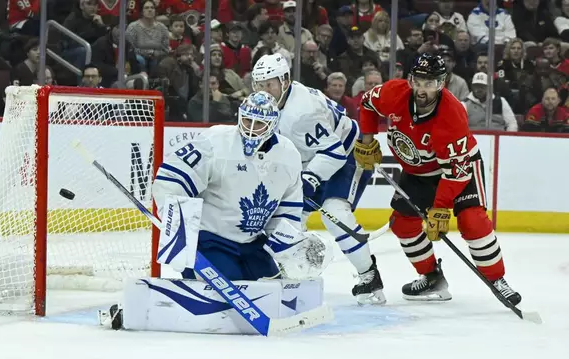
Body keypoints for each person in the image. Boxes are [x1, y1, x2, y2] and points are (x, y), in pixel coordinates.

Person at [354, 53, 521, 305]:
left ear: (441, 83)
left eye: (429, 83)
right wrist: (367, 140)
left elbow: (456, 172)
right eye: (418, 81)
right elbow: (367, 104)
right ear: (410, 79)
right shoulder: (393, 93)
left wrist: (440, 208)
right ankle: (432, 277)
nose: (422, 89)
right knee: (403, 225)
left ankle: (497, 279)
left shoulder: (452, 115)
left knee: (472, 221)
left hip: (459, 169)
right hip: (418, 172)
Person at [251, 53, 386, 305]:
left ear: (285, 81)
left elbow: (332, 151)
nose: (264, 91)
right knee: (287, 219)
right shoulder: (268, 104)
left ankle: (369, 276)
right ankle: (286, 272)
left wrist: (311, 178)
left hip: (346, 155)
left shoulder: (302, 112)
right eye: (259, 84)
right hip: (312, 159)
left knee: (334, 214)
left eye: (269, 84)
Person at [152, 92, 304, 281]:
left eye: (259, 124)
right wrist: (179, 240)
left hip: (252, 244)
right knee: (227, 290)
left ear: (272, 125)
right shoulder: (216, 141)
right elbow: (171, 179)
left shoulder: (289, 155)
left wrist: (290, 248)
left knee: (276, 291)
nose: (250, 129)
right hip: (209, 241)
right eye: (248, 121)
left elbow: (287, 212)